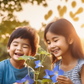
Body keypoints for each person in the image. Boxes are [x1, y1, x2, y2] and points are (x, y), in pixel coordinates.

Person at [44, 18, 84, 84]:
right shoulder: (56, 65)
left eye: (55, 40)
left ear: (70, 39)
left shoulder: (81, 65)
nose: (52, 46)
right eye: (49, 43)